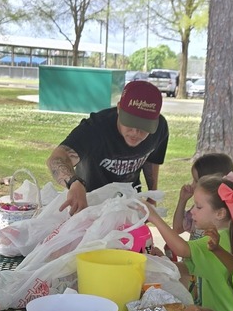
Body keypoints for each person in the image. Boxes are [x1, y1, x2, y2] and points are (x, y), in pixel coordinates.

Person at [47, 81, 169, 215]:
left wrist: (152, 197)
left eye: (143, 127)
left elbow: (151, 159)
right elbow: (57, 158)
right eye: (130, 122)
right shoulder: (95, 129)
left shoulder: (160, 129)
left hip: (129, 203)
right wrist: (74, 183)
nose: (135, 132)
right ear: (118, 109)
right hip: (90, 203)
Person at [146, 174, 233, 311]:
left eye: (198, 207)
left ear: (220, 213)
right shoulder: (225, 235)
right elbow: (188, 269)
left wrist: (154, 217)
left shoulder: (215, 241)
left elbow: (182, 249)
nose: (192, 211)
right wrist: (163, 263)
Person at [172, 153, 233, 238]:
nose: (192, 185)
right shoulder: (198, 209)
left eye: (196, 181)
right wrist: (182, 200)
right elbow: (178, 229)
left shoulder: (223, 222)